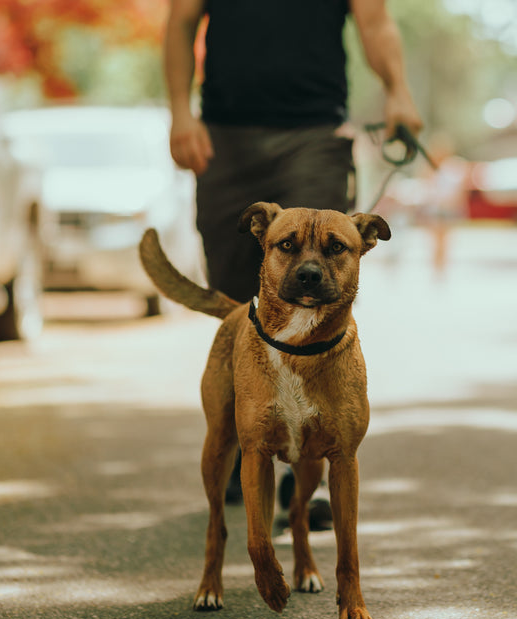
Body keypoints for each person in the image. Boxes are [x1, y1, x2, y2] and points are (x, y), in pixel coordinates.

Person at [164, 0, 423, 504]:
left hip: (314, 132)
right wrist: (179, 110)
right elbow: (180, 22)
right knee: (236, 296)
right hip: (224, 135)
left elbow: (376, 22)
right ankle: (251, 442)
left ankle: (320, 456)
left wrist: (399, 91)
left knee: (322, 274)